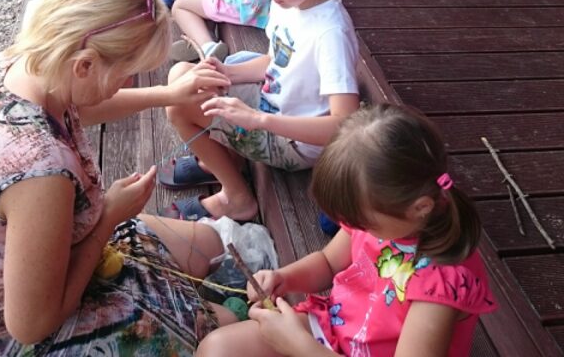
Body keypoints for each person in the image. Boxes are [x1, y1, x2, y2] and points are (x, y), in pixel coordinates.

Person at [0, 0, 239, 354]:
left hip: (52, 252)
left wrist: (168, 95)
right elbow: (30, 325)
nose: (129, 82)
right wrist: (109, 216)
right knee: (224, 329)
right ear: (85, 65)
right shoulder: (41, 172)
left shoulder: (18, 65)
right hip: (12, 330)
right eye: (127, 73)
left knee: (209, 246)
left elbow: (79, 106)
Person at [196, 104, 498, 357]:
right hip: (333, 330)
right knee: (217, 349)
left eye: (363, 222)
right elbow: (328, 263)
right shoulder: (384, 218)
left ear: (420, 207)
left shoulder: (439, 286)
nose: (355, 228)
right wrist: (283, 278)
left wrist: (301, 347)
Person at [163, 0, 360, 221]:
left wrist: (258, 120)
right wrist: (228, 72)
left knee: (177, 106)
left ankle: (237, 197)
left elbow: (344, 125)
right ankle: (225, 159)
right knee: (183, 75)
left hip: (293, 142)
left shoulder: (330, 34)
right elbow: (275, 60)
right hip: (272, 105)